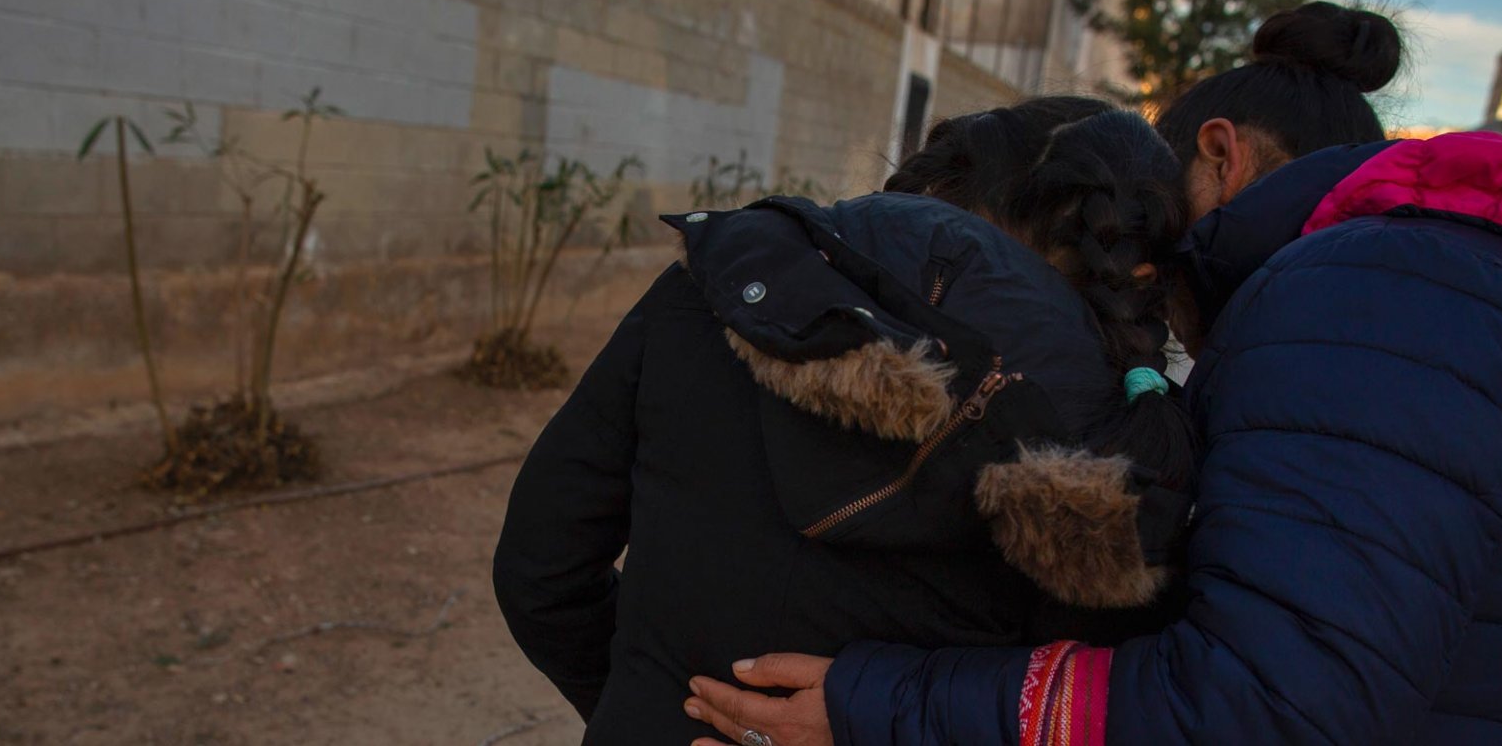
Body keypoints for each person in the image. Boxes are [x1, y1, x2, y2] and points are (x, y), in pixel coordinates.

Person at [684, 1, 1502, 746]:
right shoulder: (1421, 282)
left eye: (1150, 206)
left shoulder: (1370, 294)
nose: (1131, 250)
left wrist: (880, 703)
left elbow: (1270, 700)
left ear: (1220, 155)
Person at [491, 97, 1202, 743]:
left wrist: (645, 704)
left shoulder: (722, 283)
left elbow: (539, 569)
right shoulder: (1116, 453)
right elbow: (1093, 707)